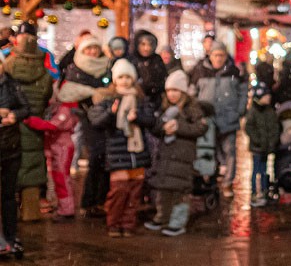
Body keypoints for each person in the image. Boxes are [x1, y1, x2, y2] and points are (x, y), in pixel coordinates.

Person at [88, 59, 154, 238]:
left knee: (134, 192)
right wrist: (112, 113)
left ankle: (128, 224)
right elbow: (96, 121)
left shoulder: (140, 100)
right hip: (118, 152)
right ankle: (114, 223)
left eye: (128, 77)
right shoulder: (107, 100)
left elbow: (151, 120)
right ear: (114, 80)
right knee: (119, 190)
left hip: (137, 152)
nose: (124, 80)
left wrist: (137, 117)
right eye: (121, 77)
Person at [146, 70, 207, 236]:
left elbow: (200, 127)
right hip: (166, 155)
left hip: (183, 156)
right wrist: (162, 128)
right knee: (164, 189)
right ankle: (162, 217)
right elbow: (156, 126)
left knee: (180, 191)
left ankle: (177, 222)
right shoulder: (165, 109)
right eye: (169, 91)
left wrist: (179, 128)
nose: (171, 94)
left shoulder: (191, 109)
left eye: (175, 90)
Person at [2, 24, 52, 222]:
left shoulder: (8, 68)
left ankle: (9, 215)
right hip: (34, 124)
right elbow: (47, 97)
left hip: (10, 125)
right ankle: (30, 214)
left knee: (9, 168)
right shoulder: (45, 74)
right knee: (32, 168)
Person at [59, 36, 110, 218]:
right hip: (85, 117)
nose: (92, 52)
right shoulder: (75, 67)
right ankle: (89, 201)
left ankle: (100, 200)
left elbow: (111, 89)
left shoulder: (106, 66)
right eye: (88, 49)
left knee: (105, 157)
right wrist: (94, 93)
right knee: (96, 155)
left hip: (105, 117)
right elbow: (67, 92)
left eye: (95, 48)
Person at [188, 41, 247, 198]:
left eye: (221, 55)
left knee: (230, 153)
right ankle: (210, 181)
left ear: (225, 56)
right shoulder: (200, 72)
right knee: (207, 151)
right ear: (210, 55)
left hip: (229, 119)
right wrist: (196, 114)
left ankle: (228, 183)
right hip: (208, 121)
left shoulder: (234, 72)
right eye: (216, 55)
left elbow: (243, 92)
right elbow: (192, 94)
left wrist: (239, 111)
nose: (218, 58)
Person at [0, 53, 30, 254]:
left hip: (10, 146)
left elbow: (25, 108)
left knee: (9, 195)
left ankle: (11, 236)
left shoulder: (12, 84)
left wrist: (13, 115)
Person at [245, 83, 279, 207]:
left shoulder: (270, 111)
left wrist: (272, 142)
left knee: (264, 171)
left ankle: (264, 191)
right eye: (266, 95)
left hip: (266, 147)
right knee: (256, 171)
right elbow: (249, 127)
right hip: (257, 147)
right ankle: (255, 192)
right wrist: (258, 141)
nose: (269, 98)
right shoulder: (254, 111)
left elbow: (274, 128)